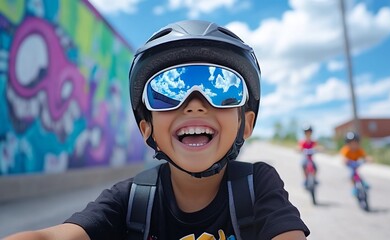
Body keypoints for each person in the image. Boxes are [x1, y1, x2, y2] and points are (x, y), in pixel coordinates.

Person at [5, 20, 310, 240]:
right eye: (167, 91)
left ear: (247, 125)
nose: (195, 104)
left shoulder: (257, 187)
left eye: (221, 89)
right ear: (145, 128)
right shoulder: (131, 199)